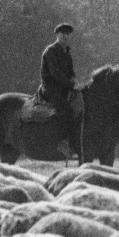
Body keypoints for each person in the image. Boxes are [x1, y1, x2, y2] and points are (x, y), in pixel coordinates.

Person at [39, 23, 82, 156]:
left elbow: (71, 71)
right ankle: (63, 141)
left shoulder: (67, 51)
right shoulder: (51, 51)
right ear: (57, 34)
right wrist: (72, 84)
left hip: (65, 88)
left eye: (68, 33)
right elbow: (55, 74)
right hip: (51, 88)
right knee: (66, 109)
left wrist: (74, 80)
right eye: (62, 33)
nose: (65, 36)